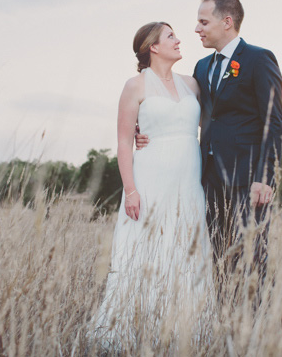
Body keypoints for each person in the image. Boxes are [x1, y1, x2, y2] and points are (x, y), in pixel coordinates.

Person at [137, 0, 282, 303]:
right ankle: (222, 326)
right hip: (207, 180)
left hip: (247, 180)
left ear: (226, 22)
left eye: (204, 22)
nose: (197, 29)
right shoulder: (202, 68)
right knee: (215, 258)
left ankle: (254, 332)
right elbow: (182, 108)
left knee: (250, 257)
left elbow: (274, 123)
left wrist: (265, 178)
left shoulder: (258, 59)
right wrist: (144, 127)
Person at [91, 22, 214, 348]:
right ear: (153, 47)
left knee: (186, 250)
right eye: (171, 36)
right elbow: (122, 142)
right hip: (149, 181)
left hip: (187, 183)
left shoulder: (192, 84)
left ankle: (183, 332)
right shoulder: (134, 86)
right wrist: (131, 190)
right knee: (144, 251)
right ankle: (130, 329)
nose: (178, 40)